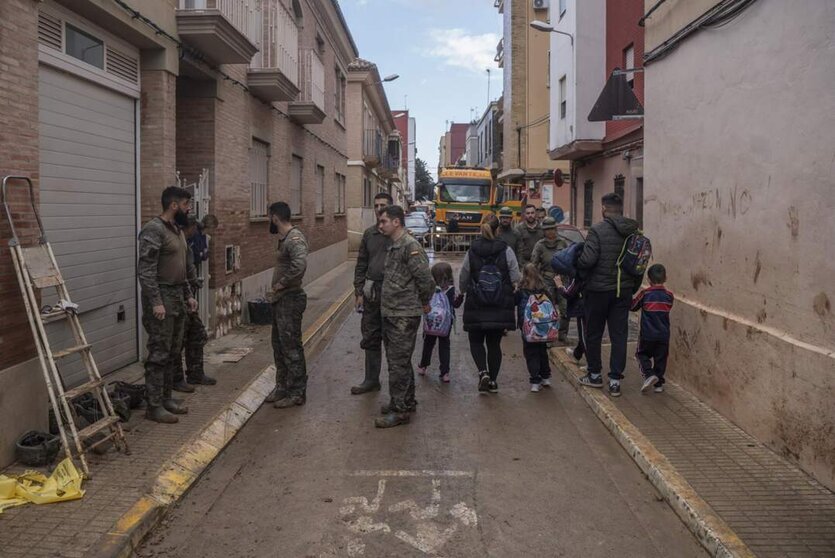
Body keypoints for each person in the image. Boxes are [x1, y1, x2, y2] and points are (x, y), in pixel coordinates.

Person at [137, 186, 198, 424]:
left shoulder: (177, 230)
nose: (189, 208)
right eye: (186, 204)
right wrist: (156, 302)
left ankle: (166, 398)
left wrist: (189, 295)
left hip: (177, 297)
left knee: (173, 352)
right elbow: (146, 270)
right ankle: (153, 406)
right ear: (174, 205)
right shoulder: (153, 230)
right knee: (159, 353)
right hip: (161, 297)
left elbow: (181, 267)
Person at [576, 193, 642, 397]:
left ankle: (595, 374)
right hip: (623, 292)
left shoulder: (597, 230)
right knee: (619, 335)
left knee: (594, 333)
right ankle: (615, 380)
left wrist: (577, 265)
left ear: (604, 209)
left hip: (597, 291)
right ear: (620, 209)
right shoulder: (633, 231)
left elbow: (587, 260)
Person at [376, 205, 435, 429]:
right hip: (392, 312)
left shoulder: (410, 246)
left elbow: (425, 280)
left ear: (396, 222)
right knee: (398, 361)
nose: (380, 225)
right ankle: (406, 400)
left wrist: (424, 302)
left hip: (403, 314)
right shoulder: (394, 246)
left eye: (383, 221)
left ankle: (399, 410)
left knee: (397, 364)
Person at [458, 214, 520, 394]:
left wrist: (462, 291)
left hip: (476, 302)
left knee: (476, 341)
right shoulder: (505, 249)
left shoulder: (472, 250)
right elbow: (515, 275)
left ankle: (482, 372)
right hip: (499, 302)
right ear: (498, 229)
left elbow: (464, 274)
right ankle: (492, 381)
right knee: (494, 344)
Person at [266, 202, 309, 409]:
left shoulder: (294, 238)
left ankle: (297, 392)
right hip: (281, 300)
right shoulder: (285, 240)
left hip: (290, 299)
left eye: (269, 217)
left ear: (274, 217)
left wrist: (281, 284)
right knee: (279, 346)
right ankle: (282, 387)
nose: (269, 221)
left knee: (291, 347)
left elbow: (299, 265)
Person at [351, 193, 393, 395]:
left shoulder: (399, 234)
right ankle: (371, 380)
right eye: (376, 205)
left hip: (393, 296)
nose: (378, 209)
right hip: (372, 295)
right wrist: (358, 291)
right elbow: (361, 264)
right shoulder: (369, 234)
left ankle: (399, 389)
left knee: (394, 342)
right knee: (371, 337)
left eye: (382, 205)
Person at [172, 216, 216, 390]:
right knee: (177, 340)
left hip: (187, 295)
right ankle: (176, 380)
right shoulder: (176, 244)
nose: (194, 233)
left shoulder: (185, 244)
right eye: (192, 230)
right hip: (175, 298)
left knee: (197, 334)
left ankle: (195, 374)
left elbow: (188, 268)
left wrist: (191, 287)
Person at [631, 264, 674, 394]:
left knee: (641, 354)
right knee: (660, 359)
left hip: (647, 334)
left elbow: (633, 306)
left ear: (648, 279)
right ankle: (658, 384)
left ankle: (649, 375)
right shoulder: (669, 296)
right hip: (664, 335)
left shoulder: (645, 294)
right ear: (665, 278)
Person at [417, 262, 458, 383]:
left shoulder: (431, 289)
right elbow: (455, 304)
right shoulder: (451, 290)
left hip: (432, 322)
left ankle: (423, 366)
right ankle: (445, 372)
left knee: (428, 344)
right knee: (444, 345)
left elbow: (423, 300)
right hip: (446, 322)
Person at [530, 217, 569, 342]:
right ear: (543, 231)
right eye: (547, 229)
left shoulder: (563, 243)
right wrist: (536, 281)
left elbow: (569, 260)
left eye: (552, 229)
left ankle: (562, 334)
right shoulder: (539, 245)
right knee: (547, 309)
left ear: (556, 229)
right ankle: (549, 335)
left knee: (565, 308)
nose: (550, 232)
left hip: (562, 279)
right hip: (546, 280)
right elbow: (533, 264)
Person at [515, 264, 553, 392]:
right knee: (542, 351)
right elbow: (552, 303)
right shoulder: (544, 289)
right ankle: (546, 377)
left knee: (531, 353)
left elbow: (513, 302)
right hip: (542, 326)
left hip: (527, 326)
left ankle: (535, 380)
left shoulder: (521, 290)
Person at [555, 273, 587, 365]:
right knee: (590, 334)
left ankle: (593, 369)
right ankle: (577, 354)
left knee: (585, 335)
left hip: (584, 305)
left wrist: (560, 286)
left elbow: (568, 292)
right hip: (600, 301)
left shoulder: (580, 272)